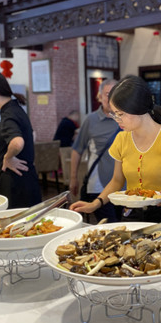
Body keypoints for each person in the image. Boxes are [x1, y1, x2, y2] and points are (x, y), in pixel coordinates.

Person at [70, 75, 161, 223]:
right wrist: (95, 204)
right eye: (114, 114)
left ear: (138, 108)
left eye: (120, 114)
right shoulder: (122, 139)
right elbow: (117, 181)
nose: (116, 119)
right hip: (131, 214)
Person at [0, 69, 41, 209]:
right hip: (24, 181)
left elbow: (17, 142)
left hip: (16, 185)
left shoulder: (8, 115)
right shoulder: (15, 108)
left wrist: (7, 158)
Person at [69, 79, 121, 222]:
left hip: (123, 185)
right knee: (109, 225)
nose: (111, 99)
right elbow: (77, 150)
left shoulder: (126, 119)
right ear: (100, 96)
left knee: (121, 223)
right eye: (107, 94)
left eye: (116, 94)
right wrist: (73, 178)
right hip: (98, 184)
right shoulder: (91, 120)